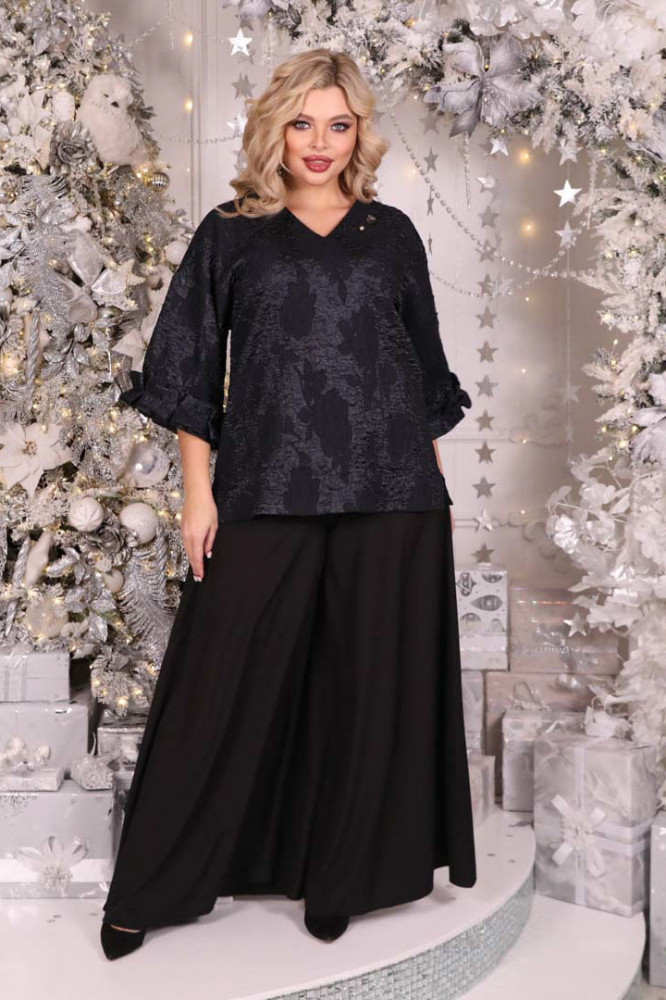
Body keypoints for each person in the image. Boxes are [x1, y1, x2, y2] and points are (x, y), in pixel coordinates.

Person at [100, 47, 476, 961]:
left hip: (392, 492)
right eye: (303, 122)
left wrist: (432, 490)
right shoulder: (232, 233)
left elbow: (423, 376)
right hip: (264, 486)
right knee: (216, 684)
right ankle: (149, 887)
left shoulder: (392, 234)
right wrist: (198, 496)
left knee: (365, 688)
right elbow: (188, 374)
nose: (319, 142)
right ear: (276, 127)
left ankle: (340, 880)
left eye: (338, 125)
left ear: (359, 134)